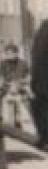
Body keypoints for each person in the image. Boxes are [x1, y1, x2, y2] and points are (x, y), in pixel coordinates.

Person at [31, 20, 48, 148]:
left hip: (40, 83)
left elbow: (35, 58)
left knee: (39, 107)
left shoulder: (42, 29)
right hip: (42, 81)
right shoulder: (43, 30)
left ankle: (43, 137)